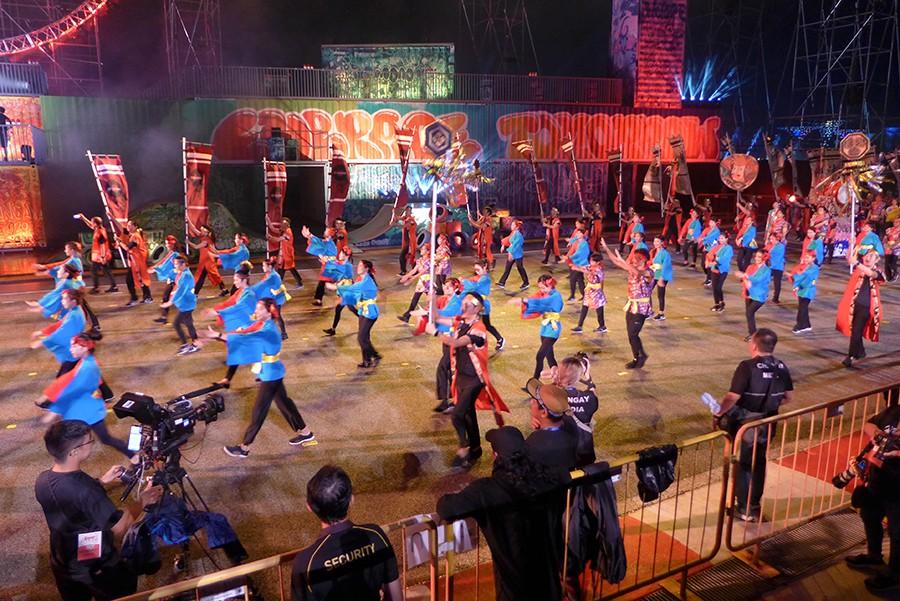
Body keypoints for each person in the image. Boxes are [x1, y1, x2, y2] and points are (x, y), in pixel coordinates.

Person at [35, 419, 163, 601]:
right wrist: (143, 500)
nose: (92, 444)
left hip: (61, 560)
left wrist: (101, 481)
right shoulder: (87, 491)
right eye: (89, 441)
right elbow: (120, 528)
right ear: (74, 452)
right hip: (97, 567)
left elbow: (71, 498)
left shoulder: (43, 479)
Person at [436, 426, 568, 601]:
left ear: (496, 456)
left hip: (515, 592)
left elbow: (446, 508)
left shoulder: (486, 490)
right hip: (550, 587)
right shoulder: (547, 480)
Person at [204, 298, 316, 458]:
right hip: (272, 372)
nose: (256, 311)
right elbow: (245, 333)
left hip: (271, 375)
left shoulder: (268, 330)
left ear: (269, 311)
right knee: (285, 404)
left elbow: (245, 338)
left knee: (259, 411)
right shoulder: (263, 325)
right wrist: (219, 336)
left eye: (259, 308)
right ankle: (306, 433)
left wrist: (218, 334)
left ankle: (244, 447)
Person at [712, 328, 793, 522]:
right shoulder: (781, 366)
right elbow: (788, 397)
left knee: (746, 464)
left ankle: (745, 508)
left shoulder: (747, 367)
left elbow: (733, 397)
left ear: (754, 345)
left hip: (748, 425)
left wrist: (719, 412)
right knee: (759, 462)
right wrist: (770, 404)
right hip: (769, 422)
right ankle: (753, 506)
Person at [291, 466, 401, 601]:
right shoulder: (375, 536)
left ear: (309, 507)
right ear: (351, 500)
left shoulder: (305, 563)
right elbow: (396, 597)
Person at [427, 293, 506, 469]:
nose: (462, 305)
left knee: (457, 414)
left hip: (474, 379)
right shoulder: (461, 322)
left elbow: (456, 343)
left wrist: (435, 332)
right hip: (461, 376)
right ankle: (476, 449)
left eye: (467, 303)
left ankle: (464, 447)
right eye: (463, 302)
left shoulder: (479, 329)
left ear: (477, 308)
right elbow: (437, 317)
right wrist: (432, 299)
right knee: (469, 415)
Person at [34, 334, 132, 457]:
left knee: (102, 439)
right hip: (85, 409)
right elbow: (68, 379)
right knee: (102, 438)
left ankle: (133, 455)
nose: (71, 349)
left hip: (87, 411)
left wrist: (55, 410)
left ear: (84, 348)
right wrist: (48, 395)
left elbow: (73, 391)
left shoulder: (87, 367)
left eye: (74, 346)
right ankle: (132, 455)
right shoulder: (86, 361)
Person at [845, 404, 900, 593]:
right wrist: (877, 433)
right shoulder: (894, 411)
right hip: (879, 479)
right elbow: (868, 424)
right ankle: (874, 555)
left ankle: (894, 574)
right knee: (869, 515)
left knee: (897, 530)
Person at [602, 238, 654, 368]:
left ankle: (640, 356)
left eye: (637, 258)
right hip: (631, 305)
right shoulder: (633, 268)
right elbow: (616, 261)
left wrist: (624, 261)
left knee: (633, 333)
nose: (634, 260)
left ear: (643, 259)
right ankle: (638, 356)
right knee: (631, 334)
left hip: (641, 308)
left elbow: (638, 273)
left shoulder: (649, 272)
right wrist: (606, 248)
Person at [207, 263, 257, 386]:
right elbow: (230, 303)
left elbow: (237, 307)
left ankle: (265, 376)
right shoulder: (241, 292)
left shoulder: (249, 294)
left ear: (243, 280)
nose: (234, 282)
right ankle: (227, 379)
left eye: (236, 280)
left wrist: (217, 312)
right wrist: (217, 310)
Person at [836, 245, 885, 368]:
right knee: (855, 330)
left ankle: (850, 356)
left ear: (877, 260)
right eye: (867, 255)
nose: (868, 258)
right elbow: (849, 258)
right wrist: (851, 244)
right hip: (854, 305)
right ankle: (860, 351)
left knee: (856, 331)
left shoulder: (878, 272)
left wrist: (857, 263)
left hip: (866, 308)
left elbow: (871, 274)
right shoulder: (859, 268)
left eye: (871, 256)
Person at [332, 260, 381, 368]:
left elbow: (353, 288)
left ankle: (371, 358)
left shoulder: (366, 281)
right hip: (363, 310)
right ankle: (370, 358)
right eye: (358, 265)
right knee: (364, 337)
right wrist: (343, 299)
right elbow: (354, 294)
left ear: (366, 268)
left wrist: (336, 287)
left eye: (360, 265)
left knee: (361, 338)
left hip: (370, 312)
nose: (358, 267)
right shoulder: (361, 279)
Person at [525, 378, 578, 471]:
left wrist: (538, 434)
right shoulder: (571, 425)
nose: (531, 402)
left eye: (534, 400)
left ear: (544, 413)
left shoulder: (533, 444)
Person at [556, 355, 598, 467]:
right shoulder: (589, 397)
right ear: (578, 377)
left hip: (563, 448)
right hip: (584, 447)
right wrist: (588, 376)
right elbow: (593, 395)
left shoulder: (555, 397)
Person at [520, 274, 564, 379]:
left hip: (553, 329)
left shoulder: (556, 296)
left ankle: (534, 381)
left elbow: (542, 303)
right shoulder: (543, 294)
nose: (541, 290)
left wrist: (526, 301)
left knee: (540, 356)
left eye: (543, 288)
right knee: (550, 356)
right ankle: (557, 377)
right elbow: (536, 301)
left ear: (550, 286)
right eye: (540, 288)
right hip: (545, 328)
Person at [159, 255, 200, 355]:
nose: (174, 265)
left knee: (176, 324)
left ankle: (186, 345)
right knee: (189, 324)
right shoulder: (182, 273)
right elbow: (171, 276)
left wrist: (170, 302)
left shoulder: (186, 276)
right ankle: (196, 343)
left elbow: (181, 291)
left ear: (183, 264)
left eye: (176, 264)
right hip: (186, 304)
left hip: (186, 305)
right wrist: (157, 269)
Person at [461, 260, 505, 350]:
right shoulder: (479, 278)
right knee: (474, 323)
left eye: (478, 269)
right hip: (475, 304)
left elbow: (473, 287)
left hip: (482, 305)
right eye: (475, 270)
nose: (476, 272)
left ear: (484, 267)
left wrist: (464, 281)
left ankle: (499, 339)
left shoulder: (485, 279)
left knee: (485, 324)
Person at [734, 250, 772, 340]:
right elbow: (746, 279)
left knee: (749, 313)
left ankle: (753, 334)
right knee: (749, 314)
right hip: (749, 292)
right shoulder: (751, 267)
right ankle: (752, 332)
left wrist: (744, 276)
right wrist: (745, 280)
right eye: (756, 256)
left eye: (759, 257)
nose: (756, 258)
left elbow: (757, 279)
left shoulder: (766, 270)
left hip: (759, 295)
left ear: (764, 258)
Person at [76, 214, 117, 293]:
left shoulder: (100, 232)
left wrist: (103, 257)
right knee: (106, 271)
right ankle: (113, 286)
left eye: (92, 222)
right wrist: (83, 218)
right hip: (100, 256)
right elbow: (89, 224)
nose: (91, 223)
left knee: (95, 271)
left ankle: (96, 287)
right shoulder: (98, 229)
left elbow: (102, 245)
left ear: (95, 223)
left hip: (101, 256)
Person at [252, 257, 291, 339]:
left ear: (269, 266)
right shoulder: (269, 274)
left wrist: (250, 289)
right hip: (273, 298)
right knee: (274, 316)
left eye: (264, 266)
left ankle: (283, 333)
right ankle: (280, 333)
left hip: (277, 299)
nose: (262, 267)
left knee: (276, 316)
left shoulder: (273, 276)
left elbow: (262, 284)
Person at [321, 247, 356, 337]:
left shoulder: (347, 265)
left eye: (341, 253)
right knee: (350, 308)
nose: (339, 254)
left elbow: (337, 268)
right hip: (344, 289)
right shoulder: (344, 264)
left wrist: (327, 262)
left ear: (346, 256)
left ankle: (333, 330)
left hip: (346, 290)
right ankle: (363, 320)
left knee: (339, 309)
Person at [118, 221, 152, 306]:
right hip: (135, 262)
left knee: (134, 280)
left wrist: (119, 242)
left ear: (135, 226)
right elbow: (121, 227)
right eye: (127, 225)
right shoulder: (134, 235)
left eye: (130, 225)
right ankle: (145, 297)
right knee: (138, 279)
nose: (128, 227)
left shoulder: (135, 236)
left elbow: (127, 248)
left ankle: (138, 297)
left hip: (137, 262)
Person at [304, 225, 339, 306]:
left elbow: (319, 243)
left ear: (329, 234)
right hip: (328, 266)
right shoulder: (327, 242)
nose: (324, 232)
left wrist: (325, 258)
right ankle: (319, 299)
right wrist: (309, 235)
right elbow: (319, 241)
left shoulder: (330, 244)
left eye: (326, 231)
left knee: (323, 282)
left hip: (330, 267)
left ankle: (319, 299)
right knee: (324, 283)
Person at [572, 252, 607, 333]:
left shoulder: (599, 270)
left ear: (598, 262)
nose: (591, 262)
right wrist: (575, 266)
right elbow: (584, 268)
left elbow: (591, 273)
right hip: (589, 290)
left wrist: (579, 269)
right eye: (591, 260)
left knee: (599, 309)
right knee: (584, 307)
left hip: (596, 291)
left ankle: (602, 326)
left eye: (592, 261)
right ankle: (580, 326)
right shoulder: (589, 266)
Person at [397, 243, 433, 323]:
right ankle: (407, 316)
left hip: (428, 281)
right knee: (415, 299)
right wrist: (406, 276)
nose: (421, 250)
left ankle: (432, 317)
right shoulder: (420, 260)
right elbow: (414, 270)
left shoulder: (429, 261)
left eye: (423, 249)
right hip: (422, 281)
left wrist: (412, 278)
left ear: (428, 251)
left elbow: (423, 272)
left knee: (430, 301)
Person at [188, 224, 227, 296]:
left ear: (207, 232)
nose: (201, 231)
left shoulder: (206, 240)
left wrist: (188, 242)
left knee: (201, 276)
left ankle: (195, 293)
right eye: (201, 230)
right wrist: (188, 220)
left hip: (207, 261)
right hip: (206, 260)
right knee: (213, 275)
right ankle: (224, 289)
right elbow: (194, 229)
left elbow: (196, 247)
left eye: (203, 230)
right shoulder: (205, 237)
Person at [149, 235, 179, 325]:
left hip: (177, 280)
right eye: (166, 244)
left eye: (168, 244)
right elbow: (163, 262)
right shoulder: (171, 254)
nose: (166, 246)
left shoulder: (175, 255)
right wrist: (155, 267)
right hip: (173, 280)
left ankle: (166, 317)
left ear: (172, 244)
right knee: (167, 298)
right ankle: (164, 317)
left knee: (173, 299)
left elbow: (166, 266)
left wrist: (156, 269)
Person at [788, 251, 819, 334]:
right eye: (805, 257)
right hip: (802, 290)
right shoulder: (806, 267)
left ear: (813, 258)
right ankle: (807, 325)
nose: (806, 259)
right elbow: (801, 276)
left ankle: (800, 325)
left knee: (802, 308)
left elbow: (806, 276)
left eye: (808, 257)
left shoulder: (814, 268)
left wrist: (796, 275)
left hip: (808, 291)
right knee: (803, 308)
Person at [496, 219, 529, 290]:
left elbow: (515, 246)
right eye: (511, 225)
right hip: (512, 253)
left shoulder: (519, 236)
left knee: (520, 268)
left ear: (517, 227)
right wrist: (503, 245)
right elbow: (508, 239)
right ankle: (502, 282)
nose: (511, 226)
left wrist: (510, 252)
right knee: (507, 268)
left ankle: (526, 283)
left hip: (517, 254)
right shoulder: (513, 233)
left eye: (513, 225)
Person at [706, 231, 733, 312]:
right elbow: (709, 253)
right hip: (714, 268)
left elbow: (724, 258)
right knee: (714, 287)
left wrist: (714, 262)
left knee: (718, 287)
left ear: (726, 239)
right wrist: (708, 261)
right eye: (719, 238)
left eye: (722, 238)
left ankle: (721, 302)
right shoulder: (717, 247)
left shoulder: (729, 248)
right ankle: (717, 303)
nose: (720, 240)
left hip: (723, 270)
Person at [650, 236, 673, 321]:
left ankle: (661, 313)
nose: (655, 243)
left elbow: (666, 266)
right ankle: (649, 310)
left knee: (660, 294)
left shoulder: (665, 253)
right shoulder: (653, 251)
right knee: (647, 291)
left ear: (662, 243)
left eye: (657, 241)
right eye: (654, 241)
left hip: (661, 275)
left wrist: (662, 278)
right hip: (654, 274)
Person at [275, 217, 303, 288]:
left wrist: (269, 237)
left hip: (287, 253)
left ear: (287, 224)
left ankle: (299, 282)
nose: (282, 224)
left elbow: (278, 239)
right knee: (282, 268)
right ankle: (279, 282)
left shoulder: (288, 232)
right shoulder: (284, 230)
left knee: (290, 268)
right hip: (283, 253)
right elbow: (274, 229)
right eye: (282, 223)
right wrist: (268, 221)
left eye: (284, 223)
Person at [565, 224, 590, 302]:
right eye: (577, 233)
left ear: (582, 234)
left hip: (580, 264)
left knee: (573, 279)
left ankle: (572, 296)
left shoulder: (584, 244)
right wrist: (569, 241)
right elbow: (573, 239)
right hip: (574, 263)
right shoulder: (577, 241)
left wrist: (569, 257)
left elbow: (578, 254)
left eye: (579, 233)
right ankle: (584, 295)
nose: (577, 234)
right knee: (580, 280)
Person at [393, 205, 417, 275]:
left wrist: (394, 225)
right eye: (406, 210)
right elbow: (396, 218)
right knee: (405, 257)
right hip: (406, 242)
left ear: (411, 211)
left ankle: (413, 270)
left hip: (410, 242)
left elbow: (404, 226)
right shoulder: (405, 218)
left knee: (408, 256)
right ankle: (406, 271)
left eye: (408, 211)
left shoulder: (411, 220)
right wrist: (393, 212)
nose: (407, 212)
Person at [765, 232, 786, 304]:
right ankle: (764, 294)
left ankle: (775, 298)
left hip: (778, 266)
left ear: (777, 239)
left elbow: (779, 258)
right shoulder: (769, 245)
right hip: (770, 266)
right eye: (770, 239)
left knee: (777, 283)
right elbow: (764, 252)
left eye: (772, 239)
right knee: (765, 280)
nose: (771, 240)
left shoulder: (781, 246)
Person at [885, 217, 900, 282]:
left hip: (897, 247)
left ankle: (895, 274)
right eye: (894, 222)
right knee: (887, 263)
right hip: (888, 246)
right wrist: (886, 244)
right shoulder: (889, 229)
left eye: (897, 222)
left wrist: (893, 245)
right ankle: (888, 277)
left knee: (892, 263)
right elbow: (885, 237)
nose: (895, 223)